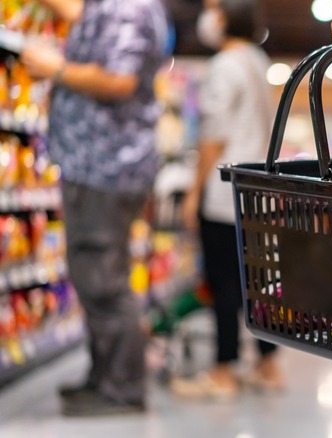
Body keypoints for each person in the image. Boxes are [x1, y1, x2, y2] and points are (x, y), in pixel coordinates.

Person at [19, 0, 167, 416]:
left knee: (102, 277)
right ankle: (104, 378)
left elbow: (120, 79)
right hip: (102, 164)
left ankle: (121, 388)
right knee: (96, 275)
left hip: (106, 166)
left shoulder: (128, 6)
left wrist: (56, 68)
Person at [174, 0, 283, 399]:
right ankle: (268, 364)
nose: (208, 16)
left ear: (227, 16)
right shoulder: (258, 60)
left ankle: (222, 370)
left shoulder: (224, 65)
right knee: (255, 281)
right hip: (256, 192)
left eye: (214, 8)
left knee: (223, 284)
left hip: (224, 192)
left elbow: (214, 136)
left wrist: (193, 191)